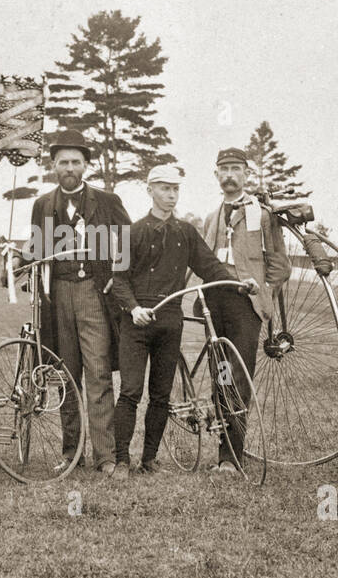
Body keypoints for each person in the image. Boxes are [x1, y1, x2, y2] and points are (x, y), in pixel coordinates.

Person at [109, 164, 254, 480]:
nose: (171, 195)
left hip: (170, 322)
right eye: (164, 188)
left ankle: (149, 459)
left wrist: (240, 284)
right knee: (131, 391)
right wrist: (133, 309)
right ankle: (122, 461)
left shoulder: (186, 233)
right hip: (136, 323)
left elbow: (210, 267)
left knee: (161, 394)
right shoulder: (131, 232)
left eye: (175, 189)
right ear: (150, 190)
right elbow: (118, 280)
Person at [24, 129, 131, 477]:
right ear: (53, 166)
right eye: (63, 162)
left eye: (76, 161)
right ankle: (71, 453)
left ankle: (105, 456)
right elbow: (38, 250)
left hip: (92, 294)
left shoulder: (107, 200)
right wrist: (23, 261)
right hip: (57, 296)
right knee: (65, 373)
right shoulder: (43, 205)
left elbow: (127, 242)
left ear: (86, 165)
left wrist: (119, 274)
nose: (69, 167)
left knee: (98, 372)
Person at [199, 148, 292, 474]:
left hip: (245, 306)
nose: (229, 175)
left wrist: (263, 291)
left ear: (246, 174)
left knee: (238, 376)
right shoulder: (211, 218)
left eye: (235, 169)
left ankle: (231, 458)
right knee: (220, 376)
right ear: (216, 175)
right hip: (214, 303)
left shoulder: (261, 215)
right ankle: (225, 448)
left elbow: (280, 265)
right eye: (223, 169)